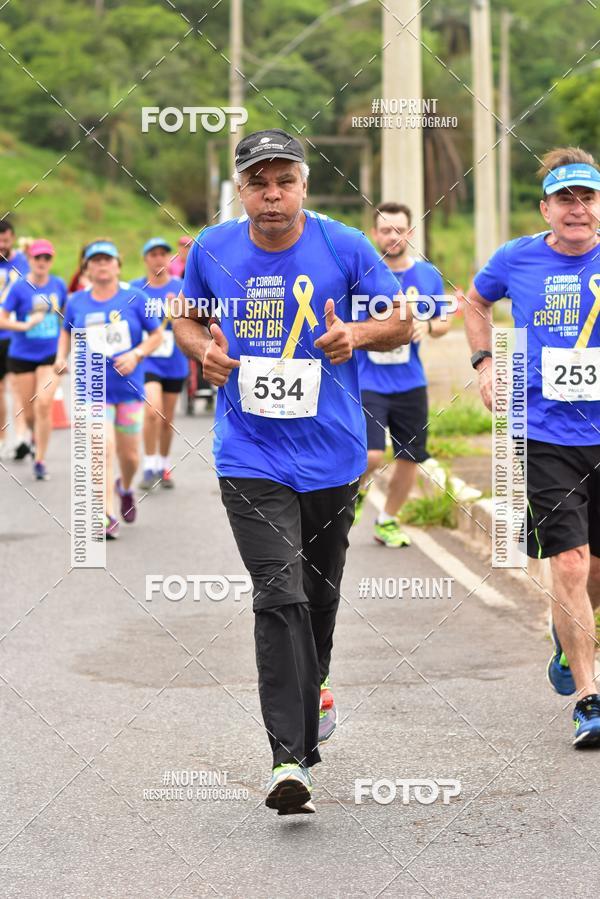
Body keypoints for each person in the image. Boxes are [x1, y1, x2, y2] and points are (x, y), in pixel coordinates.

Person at [172, 128, 412, 815]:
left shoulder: (344, 245)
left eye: (284, 181)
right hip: (249, 454)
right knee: (279, 592)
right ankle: (290, 756)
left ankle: (320, 678)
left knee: (319, 592)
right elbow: (185, 318)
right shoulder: (212, 248)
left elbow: (401, 319)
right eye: (258, 182)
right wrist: (202, 353)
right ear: (242, 188)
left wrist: (357, 335)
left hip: (333, 454)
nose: (271, 194)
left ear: (305, 184)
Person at [465, 146, 600, 748]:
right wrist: (486, 360)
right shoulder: (514, 259)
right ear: (546, 209)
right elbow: (474, 300)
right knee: (568, 562)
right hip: (545, 433)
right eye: (565, 199)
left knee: (593, 570)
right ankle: (591, 699)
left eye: (588, 197)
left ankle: (568, 637)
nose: (577, 209)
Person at [354, 202, 451, 546]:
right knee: (371, 455)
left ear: (410, 233)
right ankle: (358, 491)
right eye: (385, 230)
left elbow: (444, 319)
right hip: (368, 381)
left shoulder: (427, 274)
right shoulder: (363, 274)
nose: (392, 236)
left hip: (411, 382)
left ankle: (388, 519)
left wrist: (427, 325)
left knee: (411, 457)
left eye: (399, 230)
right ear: (374, 234)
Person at [55, 240, 162, 538]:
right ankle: (105, 513)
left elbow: (155, 335)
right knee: (102, 446)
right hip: (91, 388)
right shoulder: (76, 301)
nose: (102, 265)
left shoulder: (135, 298)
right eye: (95, 260)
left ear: (117, 265)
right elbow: (66, 333)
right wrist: (60, 357)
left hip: (128, 389)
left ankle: (125, 487)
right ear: (86, 268)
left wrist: (136, 354)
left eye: (107, 260)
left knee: (129, 457)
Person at [0, 240, 66, 480]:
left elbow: (68, 321)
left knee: (44, 404)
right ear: (30, 259)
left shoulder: (58, 285)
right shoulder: (19, 288)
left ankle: (40, 459)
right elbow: (2, 318)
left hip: (50, 356)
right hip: (22, 355)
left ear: (52, 260)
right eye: (38, 258)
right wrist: (24, 324)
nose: (42, 262)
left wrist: (63, 354)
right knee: (29, 414)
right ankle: (34, 433)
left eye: (47, 258)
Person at [131, 238, 187, 490]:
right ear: (145, 259)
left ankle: (163, 464)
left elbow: (198, 318)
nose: (158, 259)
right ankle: (149, 466)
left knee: (166, 419)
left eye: (163, 254)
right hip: (147, 362)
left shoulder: (182, 287)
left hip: (175, 362)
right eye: (153, 254)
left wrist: (180, 314)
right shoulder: (134, 290)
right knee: (152, 411)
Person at [0, 219, 30, 459]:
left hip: (15, 331)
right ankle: (2, 438)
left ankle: (21, 437)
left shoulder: (22, 261)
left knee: (18, 387)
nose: (2, 245)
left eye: (6, 241)